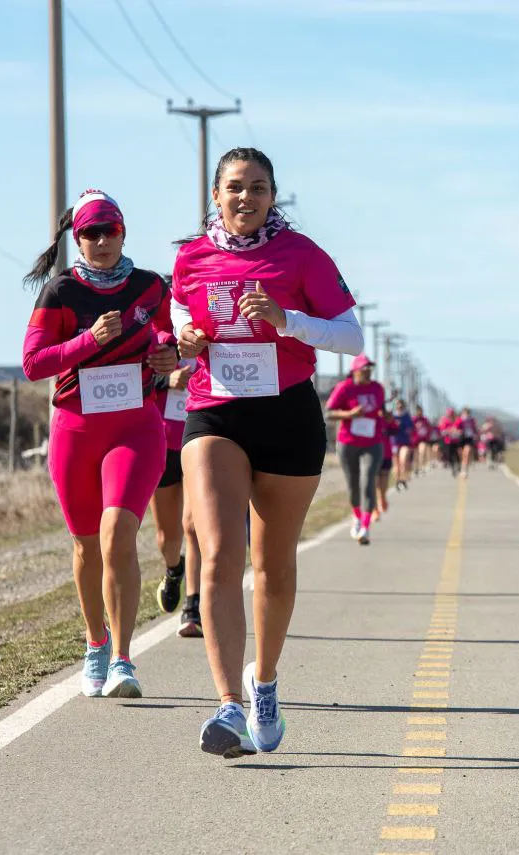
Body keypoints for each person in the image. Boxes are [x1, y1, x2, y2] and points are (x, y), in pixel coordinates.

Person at [171, 148, 362, 758]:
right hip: (215, 410)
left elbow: (351, 336)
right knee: (221, 552)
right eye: (234, 187)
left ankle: (266, 679)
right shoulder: (190, 257)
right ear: (215, 195)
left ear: (272, 195)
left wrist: (288, 319)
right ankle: (228, 706)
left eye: (257, 187)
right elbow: (179, 325)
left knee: (273, 566)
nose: (245, 197)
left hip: (287, 412)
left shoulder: (303, 255)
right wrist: (187, 339)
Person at [22, 189, 177, 699]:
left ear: (124, 231)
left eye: (110, 230)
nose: (102, 240)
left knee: (117, 534)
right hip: (77, 430)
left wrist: (168, 358)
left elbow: (173, 341)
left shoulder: (151, 287)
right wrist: (91, 340)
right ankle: (96, 642)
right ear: (77, 238)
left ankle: (123, 660)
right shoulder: (61, 293)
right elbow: (34, 363)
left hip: (136, 426)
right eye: (91, 233)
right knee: (87, 543)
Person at [151, 357, 205, 638]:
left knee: (193, 526)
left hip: (201, 439)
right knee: (166, 537)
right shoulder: (156, 338)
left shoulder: (208, 333)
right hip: (162, 442)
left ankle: (192, 606)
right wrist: (166, 380)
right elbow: (131, 378)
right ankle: (174, 569)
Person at [327, 354, 385, 544]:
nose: (368, 373)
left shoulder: (377, 388)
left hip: (372, 441)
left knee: (368, 481)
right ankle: (357, 517)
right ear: (355, 371)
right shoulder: (344, 388)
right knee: (353, 483)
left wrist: (385, 415)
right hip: (348, 442)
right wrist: (350, 414)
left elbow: (381, 410)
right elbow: (329, 413)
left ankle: (365, 528)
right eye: (364, 369)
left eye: (370, 369)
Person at [390, 399, 414, 491]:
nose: (399, 406)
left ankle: (403, 479)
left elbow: (411, 428)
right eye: (397, 404)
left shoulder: (407, 416)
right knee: (397, 465)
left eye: (401, 404)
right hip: (394, 443)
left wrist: (406, 428)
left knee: (403, 460)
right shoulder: (392, 416)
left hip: (405, 442)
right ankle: (398, 481)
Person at [457, 407, 479, 478]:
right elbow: (455, 428)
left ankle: (464, 470)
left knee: (466, 452)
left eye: (467, 413)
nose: (466, 415)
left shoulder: (472, 421)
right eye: (465, 413)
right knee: (461, 455)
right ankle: (462, 467)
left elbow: (475, 429)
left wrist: (476, 435)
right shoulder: (459, 420)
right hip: (461, 438)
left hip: (469, 439)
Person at [439, 407, 461, 476]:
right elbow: (442, 432)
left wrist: (457, 431)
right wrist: (449, 430)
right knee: (449, 455)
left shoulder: (458, 421)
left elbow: (461, 430)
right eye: (449, 414)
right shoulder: (445, 421)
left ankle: (458, 465)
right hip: (448, 441)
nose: (450, 415)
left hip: (456, 440)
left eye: (451, 414)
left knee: (456, 453)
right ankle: (453, 467)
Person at [412, 405, 432, 476]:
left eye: (421, 411)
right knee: (415, 455)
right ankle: (415, 468)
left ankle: (421, 467)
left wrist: (428, 436)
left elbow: (429, 428)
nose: (419, 412)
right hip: (415, 439)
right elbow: (410, 428)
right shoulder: (413, 419)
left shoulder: (425, 420)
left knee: (422, 452)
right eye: (418, 411)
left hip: (423, 439)